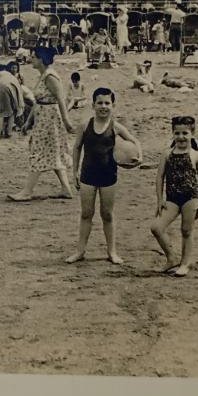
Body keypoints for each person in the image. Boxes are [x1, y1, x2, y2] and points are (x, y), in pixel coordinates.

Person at [66, 88, 141, 265]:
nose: (103, 106)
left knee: (107, 214)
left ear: (113, 105)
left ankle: (112, 252)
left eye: (107, 103)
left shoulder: (116, 127)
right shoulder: (85, 125)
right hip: (87, 175)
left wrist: (140, 156)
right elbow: (76, 148)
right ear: (93, 105)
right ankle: (80, 251)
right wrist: (74, 171)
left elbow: (134, 141)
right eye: (100, 103)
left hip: (108, 175)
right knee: (86, 214)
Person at [8, 45, 76, 201]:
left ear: (41, 59)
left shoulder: (50, 76)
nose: (30, 59)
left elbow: (60, 100)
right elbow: (38, 101)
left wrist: (67, 122)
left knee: (38, 153)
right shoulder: (43, 75)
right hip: (43, 118)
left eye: (34, 56)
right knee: (53, 154)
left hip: (50, 121)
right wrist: (28, 122)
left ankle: (27, 191)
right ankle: (66, 189)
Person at [150, 116, 198, 277]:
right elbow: (160, 177)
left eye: (185, 133)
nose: (181, 137)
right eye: (177, 133)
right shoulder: (167, 154)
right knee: (156, 227)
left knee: (186, 231)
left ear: (192, 133)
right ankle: (171, 258)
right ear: (172, 133)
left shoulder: (197, 155)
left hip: (191, 197)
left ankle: (185, 263)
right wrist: (159, 199)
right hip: (172, 198)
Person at [0, 67, 24, 138]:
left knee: (1, 112)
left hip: (4, 86)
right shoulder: (5, 73)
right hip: (15, 84)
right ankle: (9, 132)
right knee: (12, 110)